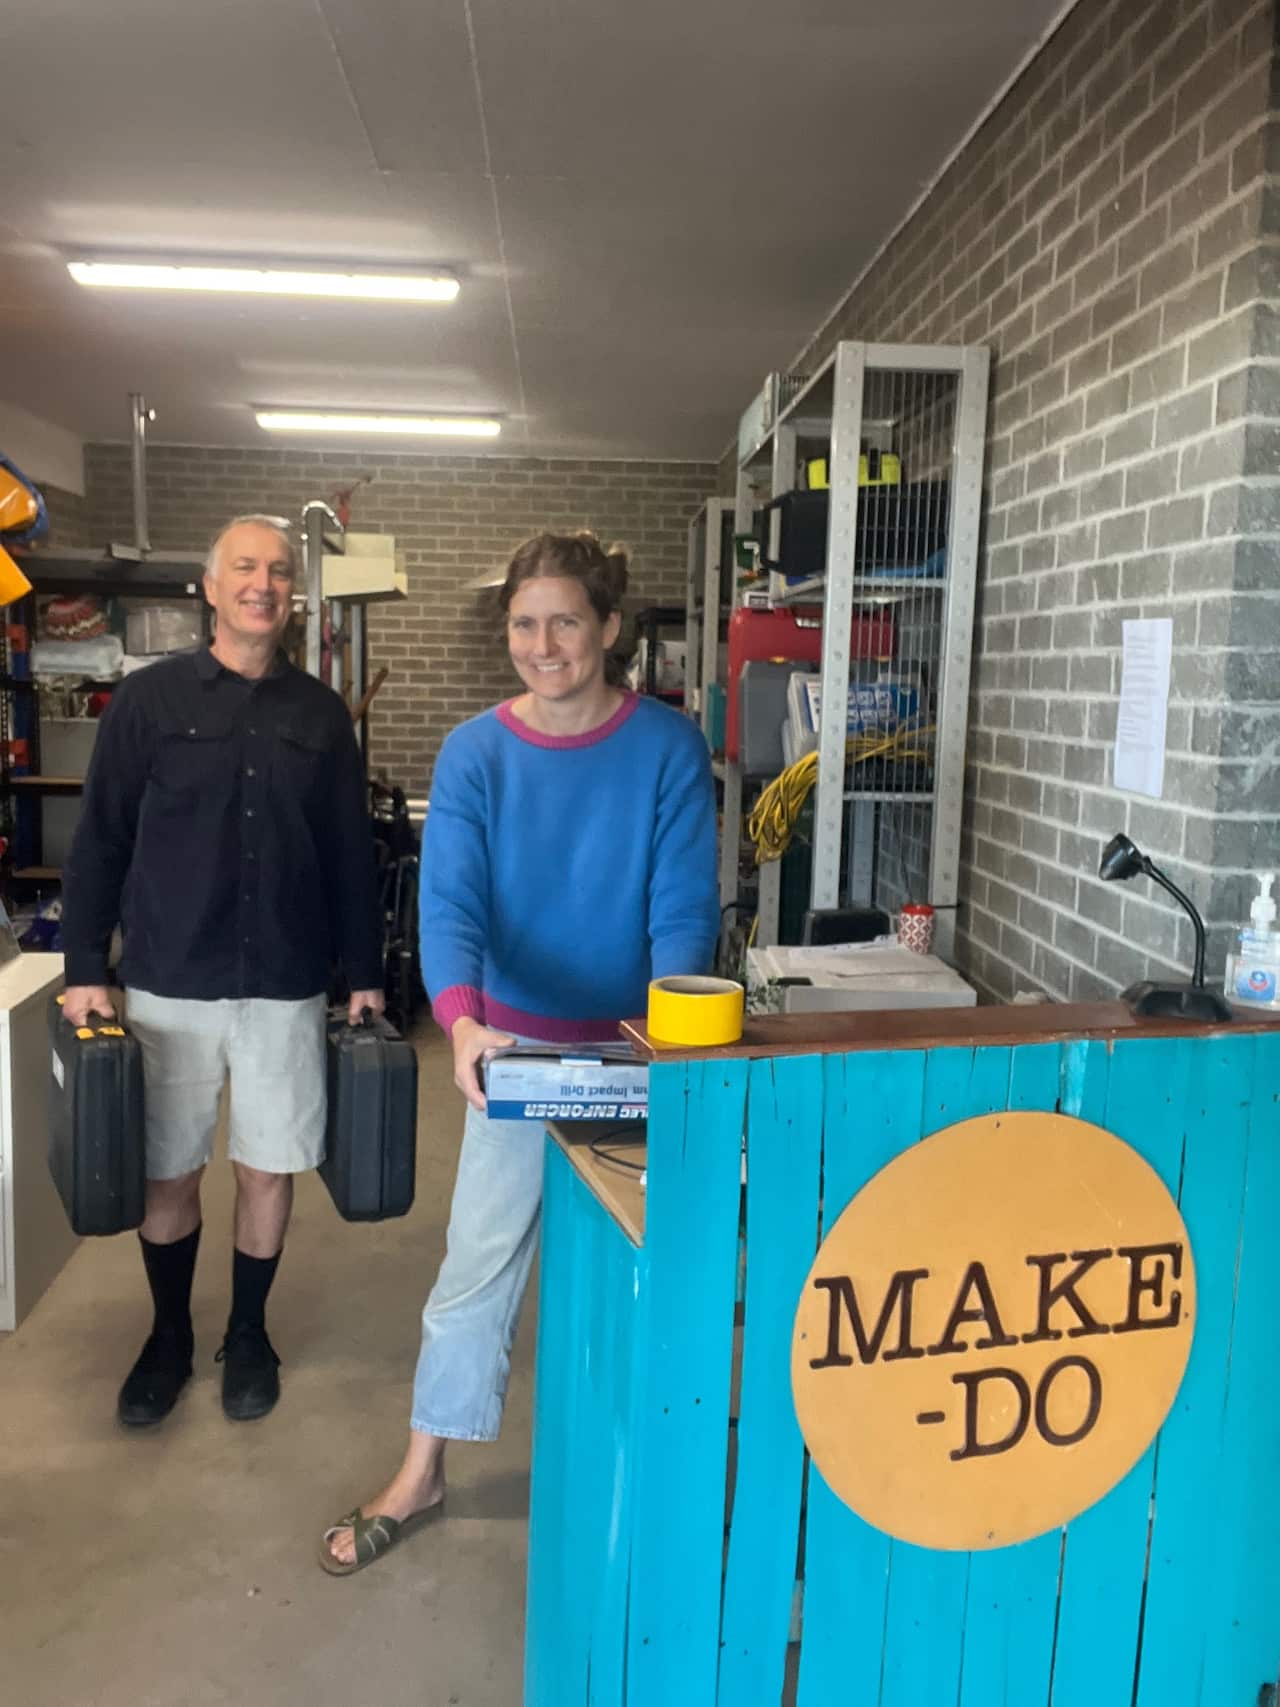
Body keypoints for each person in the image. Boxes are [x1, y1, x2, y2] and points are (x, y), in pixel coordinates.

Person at [320, 529, 719, 1573]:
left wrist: (666, 1036)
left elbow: (680, 911)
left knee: (652, 1272)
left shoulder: (668, 748)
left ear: (609, 630)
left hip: (636, 1058)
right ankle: (424, 1468)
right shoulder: (474, 753)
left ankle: (660, 1480)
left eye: (565, 622)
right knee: (474, 1272)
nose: (543, 644)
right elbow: (449, 904)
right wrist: (460, 1022)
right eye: (523, 624)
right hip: (513, 1056)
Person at [61, 514, 385, 1428]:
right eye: (245, 566)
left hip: (285, 982)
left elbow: (349, 856)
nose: (263, 583)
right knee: (168, 1171)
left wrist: (364, 970)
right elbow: (101, 842)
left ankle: (248, 1332)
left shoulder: (320, 715)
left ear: (294, 593)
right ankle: (168, 1333)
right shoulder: (149, 703)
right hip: (168, 979)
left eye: (280, 571)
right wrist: (87, 963)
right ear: (210, 587)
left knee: (267, 1168)